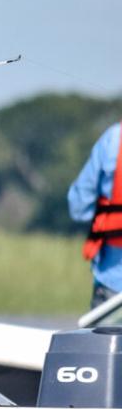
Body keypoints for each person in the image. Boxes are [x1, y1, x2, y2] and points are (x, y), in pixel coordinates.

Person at [69, 121, 122, 308]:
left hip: (113, 285)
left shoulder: (114, 138)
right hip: (112, 282)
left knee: (102, 337)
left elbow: (78, 206)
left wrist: (104, 216)